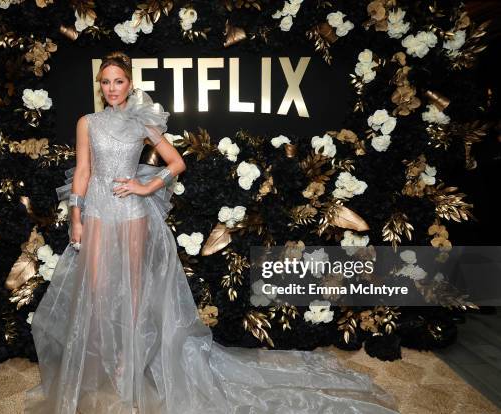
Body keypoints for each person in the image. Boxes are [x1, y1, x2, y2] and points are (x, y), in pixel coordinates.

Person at [24, 51, 399, 414]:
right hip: (100, 213)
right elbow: (84, 171)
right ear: (100, 86)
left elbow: (176, 163)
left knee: (134, 292)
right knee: (99, 290)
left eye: (118, 81)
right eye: (105, 82)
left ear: (129, 83)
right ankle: (104, 361)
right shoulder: (87, 122)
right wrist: (77, 216)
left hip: (133, 214)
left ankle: (129, 367)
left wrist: (145, 187)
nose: (112, 88)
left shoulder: (142, 122)